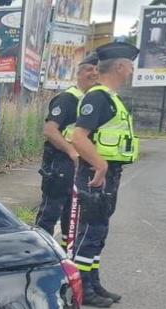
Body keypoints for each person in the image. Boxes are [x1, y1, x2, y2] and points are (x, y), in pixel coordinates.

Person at [69, 41, 140, 308]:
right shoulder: (98, 97)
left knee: (99, 231)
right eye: (130, 65)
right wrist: (100, 165)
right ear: (120, 66)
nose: (132, 70)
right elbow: (78, 136)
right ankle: (81, 288)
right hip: (95, 175)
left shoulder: (111, 98)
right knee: (90, 231)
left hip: (108, 174)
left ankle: (93, 282)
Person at [36, 53, 99, 246]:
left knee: (72, 215)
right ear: (78, 74)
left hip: (80, 166)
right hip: (60, 164)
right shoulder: (67, 99)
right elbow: (50, 130)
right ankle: (40, 253)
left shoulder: (94, 101)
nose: (93, 73)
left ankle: (65, 255)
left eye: (97, 70)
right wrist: (72, 151)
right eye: (89, 69)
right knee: (50, 211)